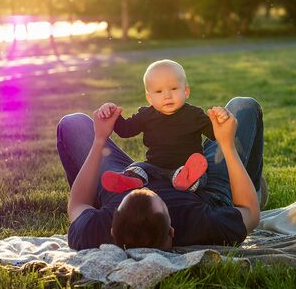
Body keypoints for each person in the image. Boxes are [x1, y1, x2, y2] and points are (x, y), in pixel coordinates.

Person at [57, 97, 264, 250]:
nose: (150, 190)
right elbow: (250, 212)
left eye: (132, 198)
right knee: (244, 106)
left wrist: (99, 140)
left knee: (72, 123)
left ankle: (137, 178)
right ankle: (256, 189)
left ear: (112, 230)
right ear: (172, 231)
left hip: (128, 178)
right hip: (200, 186)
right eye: (154, 196)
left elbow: (77, 204)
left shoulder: (94, 231)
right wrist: (227, 146)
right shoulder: (204, 225)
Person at [98, 59, 230, 193]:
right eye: (159, 91)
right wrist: (113, 114)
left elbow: (215, 134)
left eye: (173, 88)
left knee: (200, 176)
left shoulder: (194, 115)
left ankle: (186, 181)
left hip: (185, 168)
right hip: (153, 167)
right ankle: (131, 180)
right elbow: (125, 130)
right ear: (149, 98)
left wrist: (220, 119)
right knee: (138, 167)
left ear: (186, 91)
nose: (167, 95)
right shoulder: (146, 115)